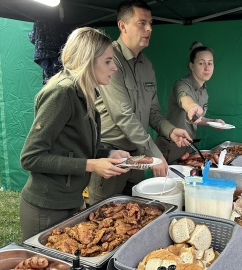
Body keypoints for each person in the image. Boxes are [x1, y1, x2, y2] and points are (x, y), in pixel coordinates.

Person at [19, 27, 130, 241]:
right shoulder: (62, 93)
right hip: (46, 208)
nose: (114, 67)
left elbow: (74, 146)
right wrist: (91, 165)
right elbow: (31, 157)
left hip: (70, 203)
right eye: (108, 61)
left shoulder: (85, 92)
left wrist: (107, 153)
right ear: (88, 60)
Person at [88, 0, 192, 204]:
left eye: (150, 23)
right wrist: (154, 154)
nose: (149, 29)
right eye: (141, 23)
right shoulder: (110, 60)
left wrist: (171, 130)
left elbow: (153, 112)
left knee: (132, 211)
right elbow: (123, 115)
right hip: (111, 155)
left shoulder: (147, 64)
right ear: (122, 25)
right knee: (104, 215)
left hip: (137, 157)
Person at [155, 41, 225, 163]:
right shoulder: (181, 84)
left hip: (185, 147)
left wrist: (213, 122)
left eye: (210, 63)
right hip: (169, 147)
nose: (207, 68)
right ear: (191, 66)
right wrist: (192, 106)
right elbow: (184, 99)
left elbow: (196, 118)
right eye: (201, 63)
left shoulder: (204, 91)